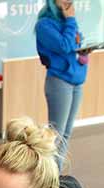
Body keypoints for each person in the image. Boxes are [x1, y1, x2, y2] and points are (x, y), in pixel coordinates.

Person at [36, 0, 88, 170]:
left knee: (66, 134)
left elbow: (74, 43)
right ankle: (50, 176)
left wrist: (82, 50)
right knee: (56, 135)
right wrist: (71, 21)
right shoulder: (44, 25)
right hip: (59, 82)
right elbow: (65, 46)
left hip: (76, 81)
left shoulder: (67, 21)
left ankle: (57, 174)